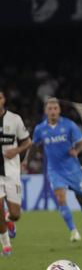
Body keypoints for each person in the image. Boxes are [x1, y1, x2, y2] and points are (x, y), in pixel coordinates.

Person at [22, 97, 82, 242]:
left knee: (81, 198)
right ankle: (73, 231)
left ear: (59, 110)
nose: (53, 111)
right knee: (61, 198)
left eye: (55, 109)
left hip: (72, 168)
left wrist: (76, 151)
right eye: (50, 109)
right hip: (55, 170)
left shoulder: (69, 125)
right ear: (46, 111)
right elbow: (34, 147)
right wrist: (25, 161)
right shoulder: (40, 129)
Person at [0, 89, 32, 256]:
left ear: (4, 99)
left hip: (11, 172)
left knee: (15, 214)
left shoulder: (14, 119)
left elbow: (28, 142)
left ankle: (9, 219)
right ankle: (6, 246)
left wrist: (16, 151)